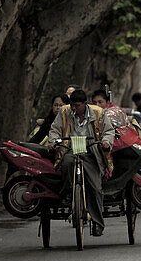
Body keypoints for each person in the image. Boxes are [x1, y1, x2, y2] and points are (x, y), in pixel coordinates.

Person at [47, 89, 117, 236]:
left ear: (85, 104)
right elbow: (55, 129)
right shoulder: (65, 112)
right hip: (70, 151)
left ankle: (98, 224)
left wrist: (105, 142)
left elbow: (109, 131)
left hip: (91, 153)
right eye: (72, 105)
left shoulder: (98, 113)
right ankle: (68, 192)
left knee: (96, 187)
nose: (74, 108)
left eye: (77, 105)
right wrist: (53, 142)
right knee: (65, 165)